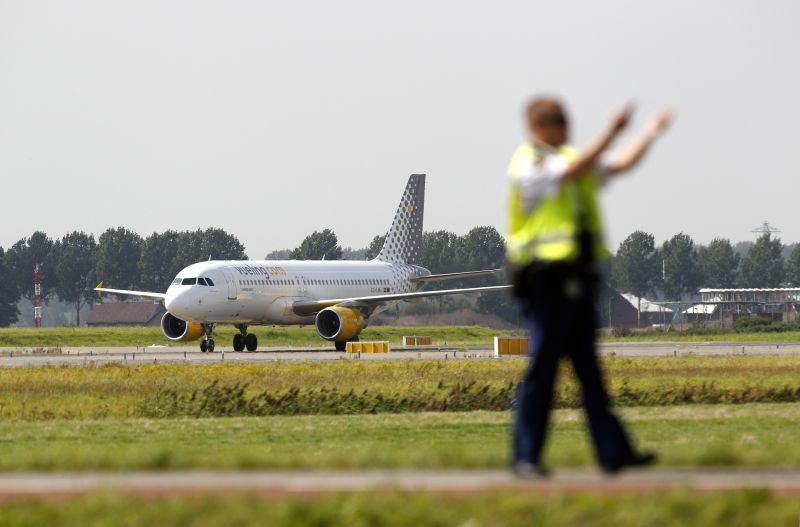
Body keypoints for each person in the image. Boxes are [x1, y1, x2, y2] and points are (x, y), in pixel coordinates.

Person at [507, 97, 672, 476]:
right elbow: (573, 170)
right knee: (542, 374)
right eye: (555, 123)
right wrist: (612, 131)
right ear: (537, 128)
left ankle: (613, 453)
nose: (564, 129)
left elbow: (620, 163)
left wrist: (649, 133)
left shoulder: (571, 162)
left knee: (591, 375)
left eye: (565, 121)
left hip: (578, 284)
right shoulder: (530, 164)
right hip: (545, 283)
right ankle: (526, 457)